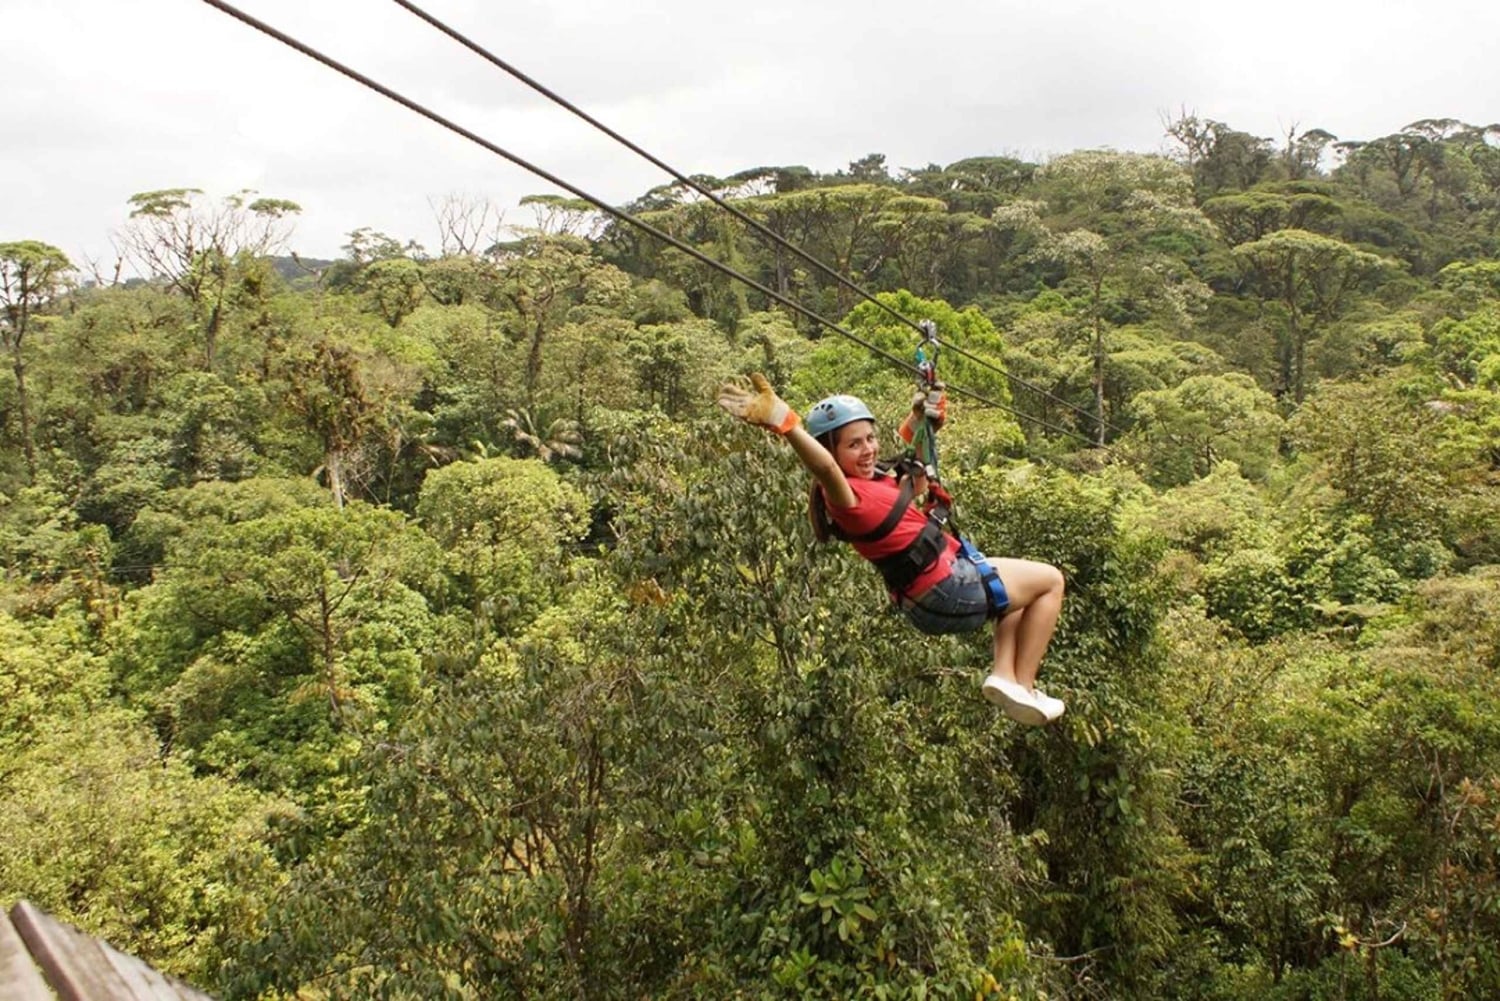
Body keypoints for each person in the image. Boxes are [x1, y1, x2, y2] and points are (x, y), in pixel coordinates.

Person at [717, 373, 1067, 725]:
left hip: (930, 595)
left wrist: (922, 420)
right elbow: (823, 468)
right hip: (947, 587)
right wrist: (785, 423)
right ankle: (1025, 683)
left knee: (1014, 597)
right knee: (1051, 581)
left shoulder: (876, 480)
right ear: (831, 450)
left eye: (870, 438)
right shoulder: (844, 497)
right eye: (853, 445)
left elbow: (914, 477)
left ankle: (1005, 676)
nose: (868, 449)